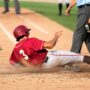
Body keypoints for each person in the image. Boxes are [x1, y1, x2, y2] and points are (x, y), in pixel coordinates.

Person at [10, 25, 90, 71]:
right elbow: (50, 45)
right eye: (27, 32)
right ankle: (66, 65)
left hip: (43, 67)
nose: (28, 33)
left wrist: (28, 65)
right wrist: (56, 36)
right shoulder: (30, 41)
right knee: (80, 57)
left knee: (65, 63)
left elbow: (13, 63)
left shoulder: (15, 49)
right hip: (51, 59)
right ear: (24, 33)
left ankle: (67, 67)